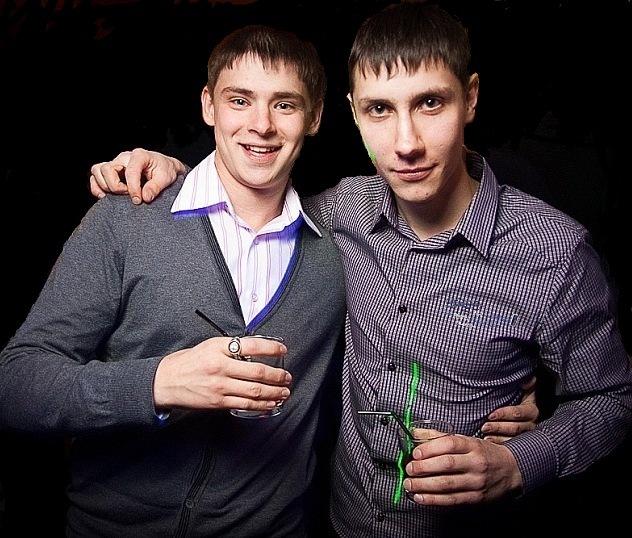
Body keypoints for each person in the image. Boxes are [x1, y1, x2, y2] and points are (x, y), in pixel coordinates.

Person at [88, 1, 632, 536]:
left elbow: (609, 400)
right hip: (341, 522)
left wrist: (519, 462)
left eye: (430, 104)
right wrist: (174, 174)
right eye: (379, 110)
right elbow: (253, 197)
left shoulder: (553, 251)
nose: (406, 143)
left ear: (470, 98)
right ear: (352, 113)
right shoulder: (343, 212)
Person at [0, 19, 538, 538]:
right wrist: (158, 383)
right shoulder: (129, 216)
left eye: (284, 104)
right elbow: (17, 386)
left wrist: (519, 405)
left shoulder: (338, 239)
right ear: (209, 105)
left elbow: (412, 329)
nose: (261, 125)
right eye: (240, 100)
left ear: (316, 116)